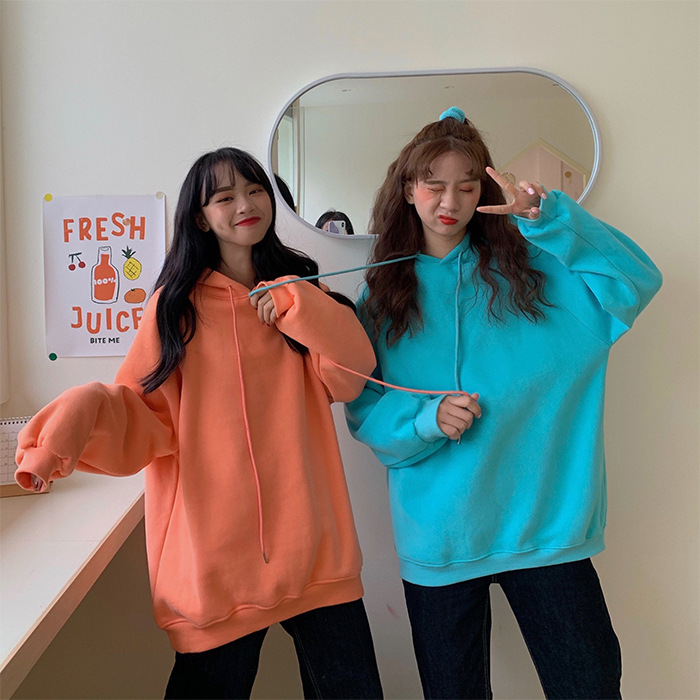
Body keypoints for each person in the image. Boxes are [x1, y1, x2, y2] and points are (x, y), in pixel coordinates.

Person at [15, 147, 383, 699]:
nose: (245, 205)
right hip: (215, 565)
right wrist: (72, 421)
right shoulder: (174, 309)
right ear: (200, 217)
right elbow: (143, 417)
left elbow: (352, 375)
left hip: (316, 553)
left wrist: (300, 305)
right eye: (224, 197)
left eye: (254, 190)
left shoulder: (301, 289)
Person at [346, 107, 662, 699]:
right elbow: (362, 407)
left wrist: (551, 220)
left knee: (589, 687)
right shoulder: (383, 293)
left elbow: (635, 281)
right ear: (408, 190)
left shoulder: (536, 273)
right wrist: (425, 420)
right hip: (439, 534)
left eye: (467, 186)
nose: (451, 201)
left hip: (544, 524)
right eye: (434, 185)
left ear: (485, 192)